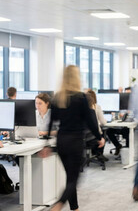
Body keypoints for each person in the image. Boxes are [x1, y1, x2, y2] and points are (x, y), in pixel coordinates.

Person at [39, 65, 105, 211]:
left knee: (70, 177)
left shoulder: (58, 98)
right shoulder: (81, 98)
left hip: (62, 141)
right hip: (75, 141)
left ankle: (74, 208)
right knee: (74, 179)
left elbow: (51, 122)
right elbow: (91, 121)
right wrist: (99, 137)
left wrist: (47, 144)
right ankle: (59, 204)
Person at [85, 90, 108, 162]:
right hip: (93, 137)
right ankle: (99, 154)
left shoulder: (80, 109)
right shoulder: (96, 107)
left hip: (82, 137)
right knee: (104, 130)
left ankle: (96, 153)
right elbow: (103, 123)